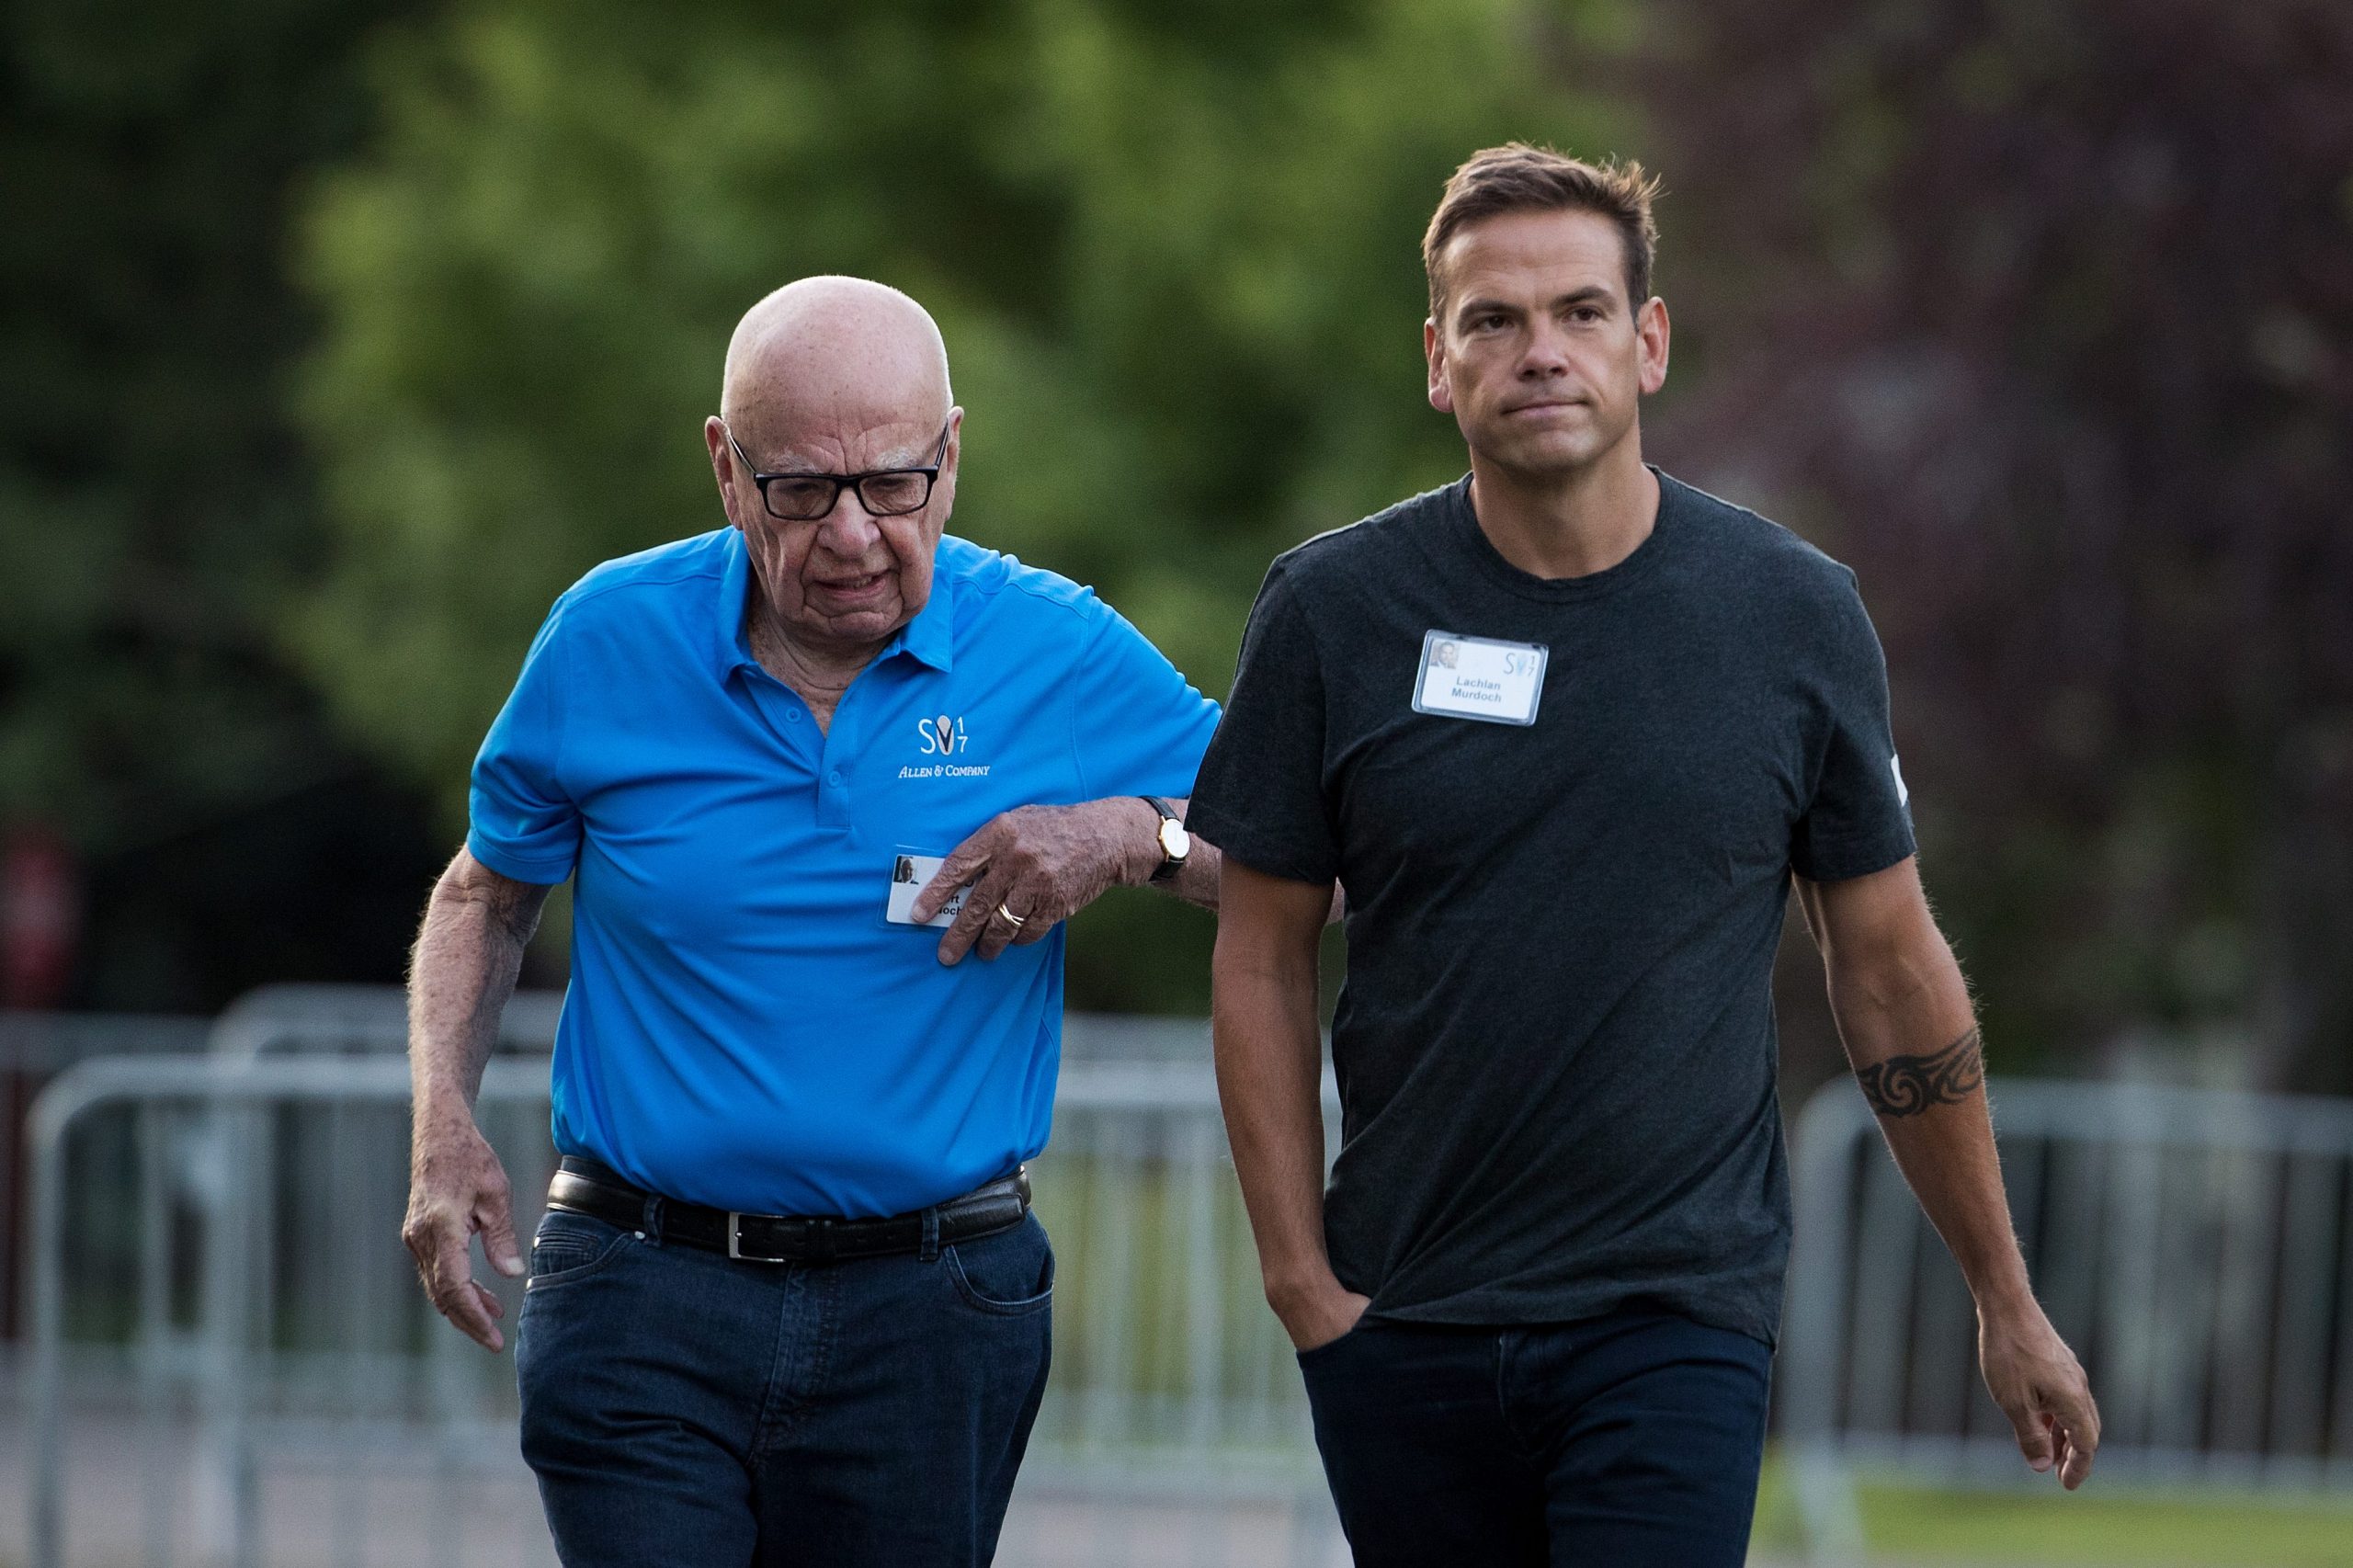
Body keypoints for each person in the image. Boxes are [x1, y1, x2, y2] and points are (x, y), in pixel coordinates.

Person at [1188, 144, 2100, 1566]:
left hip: (1673, 1317)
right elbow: (1259, 953)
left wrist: (2006, 1295)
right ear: (1439, 361)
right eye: (1493, 319)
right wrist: (1302, 1280)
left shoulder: (1793, 617)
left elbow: (1889, 965)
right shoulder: (1331, 613)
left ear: (1649, 341)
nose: (1538, 350)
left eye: (1580, 311)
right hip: (1403, 1318)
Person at [400, 276, 1223, 1567]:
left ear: (954, 454)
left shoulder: (1054, 646)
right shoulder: (608, 636)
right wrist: (442, 1120)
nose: (851, 535)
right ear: (726, 466)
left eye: (893, 486)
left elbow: (1303, 858)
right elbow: (485, 891)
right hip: (641, 1290)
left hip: (932, 1302)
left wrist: (1127, 833)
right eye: (802, 490)